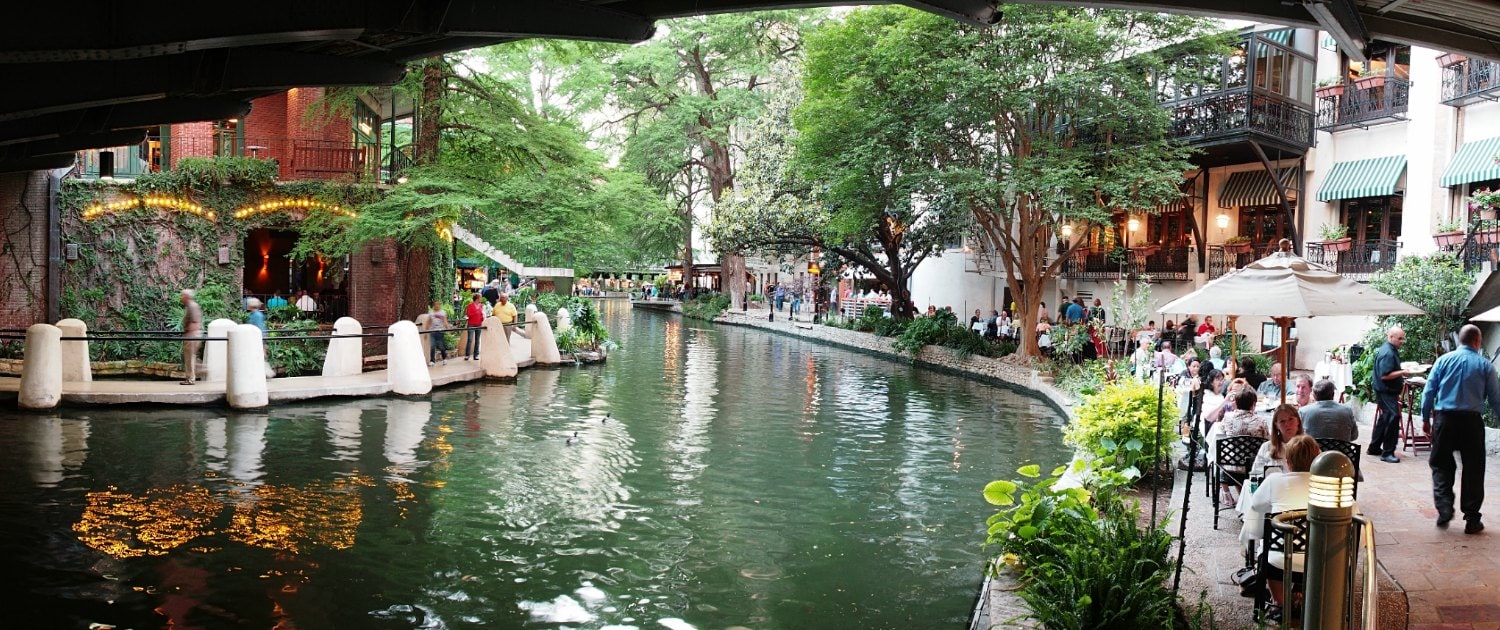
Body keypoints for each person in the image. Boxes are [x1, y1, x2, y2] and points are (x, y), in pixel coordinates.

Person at [1421, 324, 1500, 534]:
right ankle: (1472, 519)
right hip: (1472, 423)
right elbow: (1495, 399)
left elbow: (1429, 391)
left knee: (1441, 465)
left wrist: (1425, 418)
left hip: (1445, 420)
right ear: (1477, 341)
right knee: (1474, 469)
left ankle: (1445, 508)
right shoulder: (1485, 365)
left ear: (1461, 340)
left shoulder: (1443, 361)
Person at [1239, 435, 1322, 609]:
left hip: (1281, 560)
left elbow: (1256, 505)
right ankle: (1311, 600)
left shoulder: (1274, 481)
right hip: (1322, 560)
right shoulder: (1331, 486)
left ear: (1288, 461)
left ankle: (1279, 603)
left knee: (1269, 549)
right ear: (1318, 459)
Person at [1214, 388, 1268, 506]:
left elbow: (1221, 431)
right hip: (1254, 467)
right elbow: (1267, 440)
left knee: (1234, 453)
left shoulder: (1228, 418)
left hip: (1231, 467)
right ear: (1253, 404)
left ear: (1236, 403)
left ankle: (1237, 497)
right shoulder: (1261, 421)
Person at [1370, 326, 1408, 464]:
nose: (1401, 341)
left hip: (1385, 390)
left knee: (1385, 417)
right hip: (1385, 390)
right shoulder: (1388, 353)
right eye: (1399, 338)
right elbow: (1385, 376)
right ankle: (1387, 453)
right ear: (1391, 337)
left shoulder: (1390, 350)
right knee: (1393, 416)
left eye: (1402, 338)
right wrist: (1402, 372)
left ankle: (1374, 447)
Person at [1252, 404, 1303, 476]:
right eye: (1282, 421)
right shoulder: (1267, 447)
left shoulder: (1308, 445)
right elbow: (1255, 474)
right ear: (1276, 425)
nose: (1287, 424)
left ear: (1298, 421)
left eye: (1291, 419)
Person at [179, 289, 203, 385]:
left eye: (182, 296)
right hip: (192, 334)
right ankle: (199, 372)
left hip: (192, 334)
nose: (181, 298)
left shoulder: (192, 306)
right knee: (191, 357)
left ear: (186, 296)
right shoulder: (191, 305)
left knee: (190, 357)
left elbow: (194, 323)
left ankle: (190, 379)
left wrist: (188, 334)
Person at [426, 300, 450, 365]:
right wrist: (426, 331)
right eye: (435, 304)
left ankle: (444, 358)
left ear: (439, 305)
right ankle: (432, 361)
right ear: (433, 305)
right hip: (432, 331)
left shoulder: (443, 312)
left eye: (438, 304)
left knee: (441, 346)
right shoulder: (431, 313)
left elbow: (445, 321)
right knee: (432, 346)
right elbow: (428, 322)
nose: (436, 305)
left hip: (440, 331)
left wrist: (448, 329)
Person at [464, 293, 485, 360]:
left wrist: (482, 317)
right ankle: (467, 355)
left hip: (479, 324)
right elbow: (468, 314)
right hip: (471, 324)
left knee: (477, 340)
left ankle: (476, 355)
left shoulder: (481, 306)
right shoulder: (470, 305)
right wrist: (475, 313)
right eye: (480, 298)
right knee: (470, 339)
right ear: (477, 299)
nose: (481, 299)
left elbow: (482, 314)